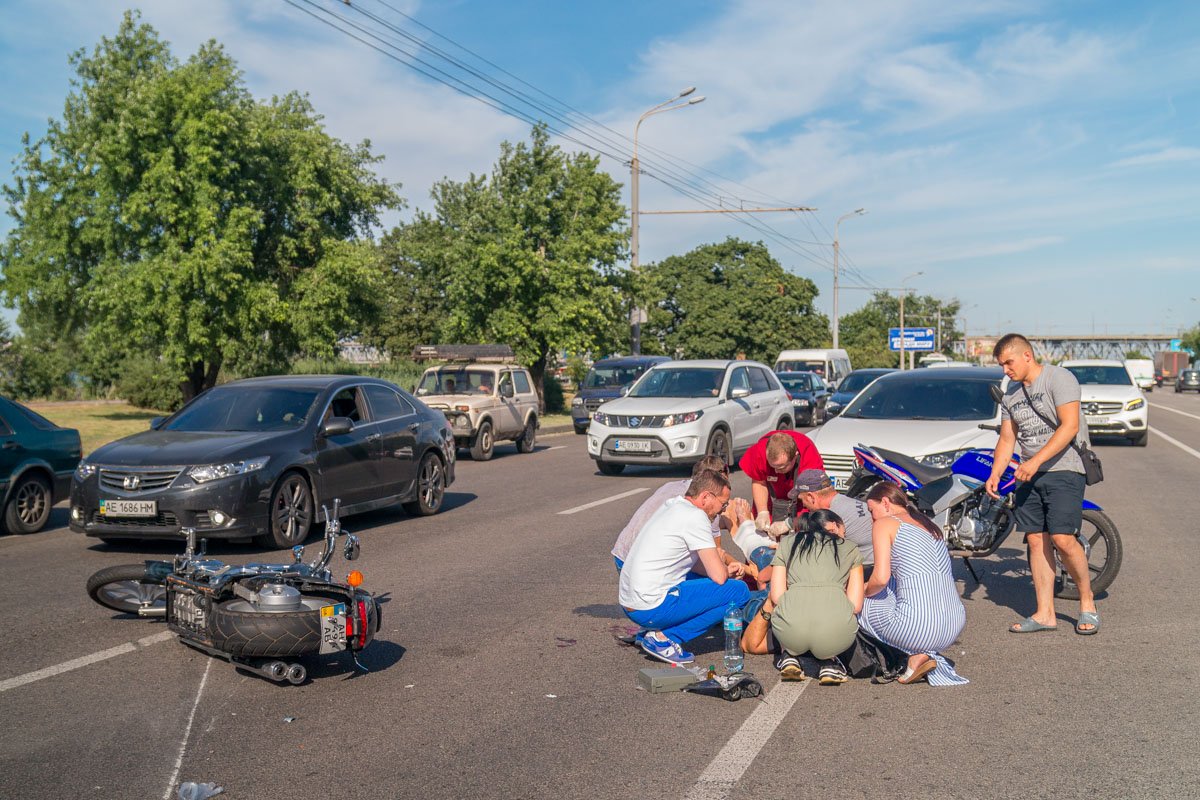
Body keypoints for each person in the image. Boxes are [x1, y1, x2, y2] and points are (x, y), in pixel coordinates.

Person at [986, 333, 1098, 635]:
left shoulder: (1058, 378)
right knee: (1036, 540)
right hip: (1028, 473)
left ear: (1027, 355)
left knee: (1062, 539)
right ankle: (1045, 613)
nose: (1006, 370)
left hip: (1064, 469)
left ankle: (1087, 602)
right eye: (1001, 365)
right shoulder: (1011, 393)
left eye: (1009, 362)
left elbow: (1069, 426)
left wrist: (1035, 462)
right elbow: (1007, 439)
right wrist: (995, 473)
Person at [618, 470, 751, 664]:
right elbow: (719, 577)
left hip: (631, 602)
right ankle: (664, 638)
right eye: (722, 504)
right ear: (706, 497)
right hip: (649, 607)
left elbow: (693, 564)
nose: (722, 511)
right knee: (739, 592)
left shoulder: (673, 505)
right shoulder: (696, 517)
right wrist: (725, 571)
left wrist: (723, 572)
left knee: (709, 582)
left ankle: (650, 630)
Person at [858, 482, 968, 685]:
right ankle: (920, 655)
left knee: (859, 601)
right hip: (953, 624)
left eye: (872, 511)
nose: (872, 518)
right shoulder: (929, 525)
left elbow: (880, 579)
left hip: (918, 627)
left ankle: (913, 652)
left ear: (885, 502)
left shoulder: (884, 524)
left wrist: (861, 591)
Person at [766, 509, 865, 684]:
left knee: (783, 608)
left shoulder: (787, 543)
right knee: (837, 617)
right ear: (834, 525)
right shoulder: (851, 548)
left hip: (790, 633)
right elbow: (856, 605)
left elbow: (777, 596)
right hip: (836, 635)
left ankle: (789, 656)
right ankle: (829, 662)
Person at [611, 455, 733, 571]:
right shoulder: (706, 504)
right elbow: (715, 554)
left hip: (621, 554)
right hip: (642, 565)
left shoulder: (671, 486)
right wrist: (742, 567)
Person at [791, 469, 875, 579]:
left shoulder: (830, 517)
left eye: (802, 499)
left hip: (864, 572)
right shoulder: (848, 502)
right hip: (875, 564)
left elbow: (814, 556)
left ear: (811, 497)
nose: (803, 505)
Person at [738, 430, 823, 528]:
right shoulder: (759, 452)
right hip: (771, 498)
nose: (776, 471)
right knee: (765, 528)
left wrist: (792, 524)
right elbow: (759, 482)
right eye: (772, 466)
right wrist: (762, 512)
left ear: (795, 457)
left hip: (801, 499)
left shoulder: (808, 453)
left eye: (781, 467)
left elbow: (814, 495)